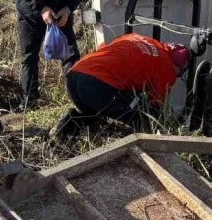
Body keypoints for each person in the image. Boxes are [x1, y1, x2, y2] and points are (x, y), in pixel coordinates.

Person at [50, 34, 190, 140]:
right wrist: (163, 127)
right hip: (96, 83)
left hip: (75, 76)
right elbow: (156, 104)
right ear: (178, 67)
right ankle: (143, 148)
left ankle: (66, 126)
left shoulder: (140, 38)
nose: (175, 78)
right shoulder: (167, 67)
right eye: (178, 74)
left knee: (97, 116)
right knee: (139, 116)